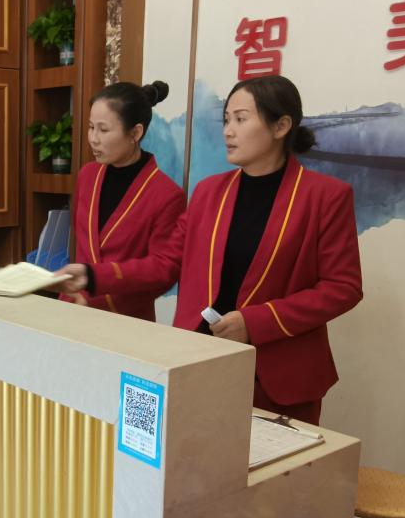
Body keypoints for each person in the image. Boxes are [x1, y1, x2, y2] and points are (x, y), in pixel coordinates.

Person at [60, 74, 361, 424]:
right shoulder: (209, 193)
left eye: (241, 119)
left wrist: (256, 322)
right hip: (200, 360)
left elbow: (343, 288)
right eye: (226, 120)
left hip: (278, 376)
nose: (228, 131)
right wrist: (91, 275)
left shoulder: (325, 197)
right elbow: (166, 262)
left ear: (281, 126)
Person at [56, 81, 186, 321]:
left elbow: (164, 269)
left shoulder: (166, 194)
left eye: (104, 130)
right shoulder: (87, 176)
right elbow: (81, 247)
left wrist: (94, 278)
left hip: (125, 320)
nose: (93, 139)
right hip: (74, 308)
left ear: (135, 133)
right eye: (91, 127)